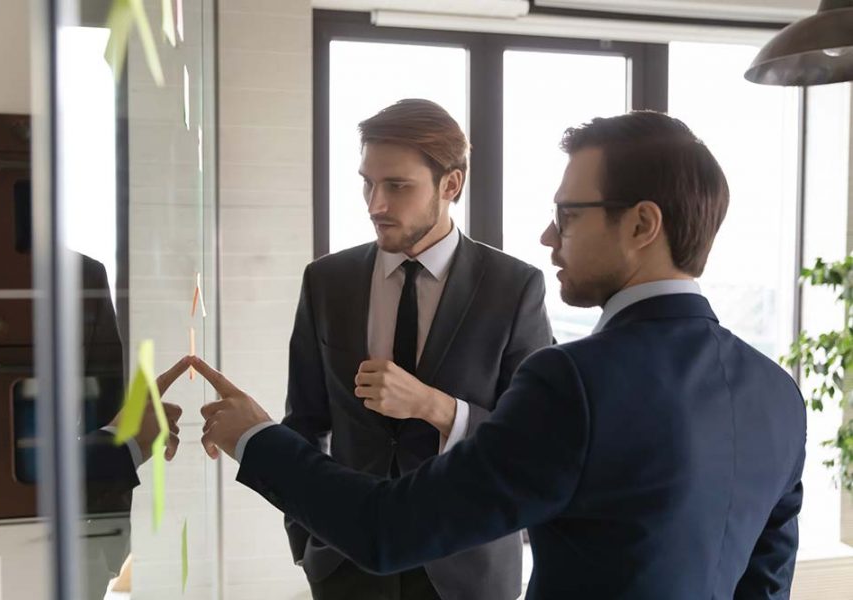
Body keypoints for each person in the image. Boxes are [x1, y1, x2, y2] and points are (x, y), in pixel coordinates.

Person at [194, 111, 807, 599]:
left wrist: (255, 437)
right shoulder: (780, 396)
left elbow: (385, 530)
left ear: (643, 224)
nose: (547, 236)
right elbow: (764, 586)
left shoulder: (572, 382)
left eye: (568, 215)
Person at [278, 98, 552, 599]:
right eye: (367, 182)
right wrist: (305, 540)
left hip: (466, 565)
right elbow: (303, 422)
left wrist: (436, 408)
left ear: (451, 185)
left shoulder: (513, 288)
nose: (375, 203)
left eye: (397, 186)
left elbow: (536, 444)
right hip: (344, 561)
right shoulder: (327, 281)